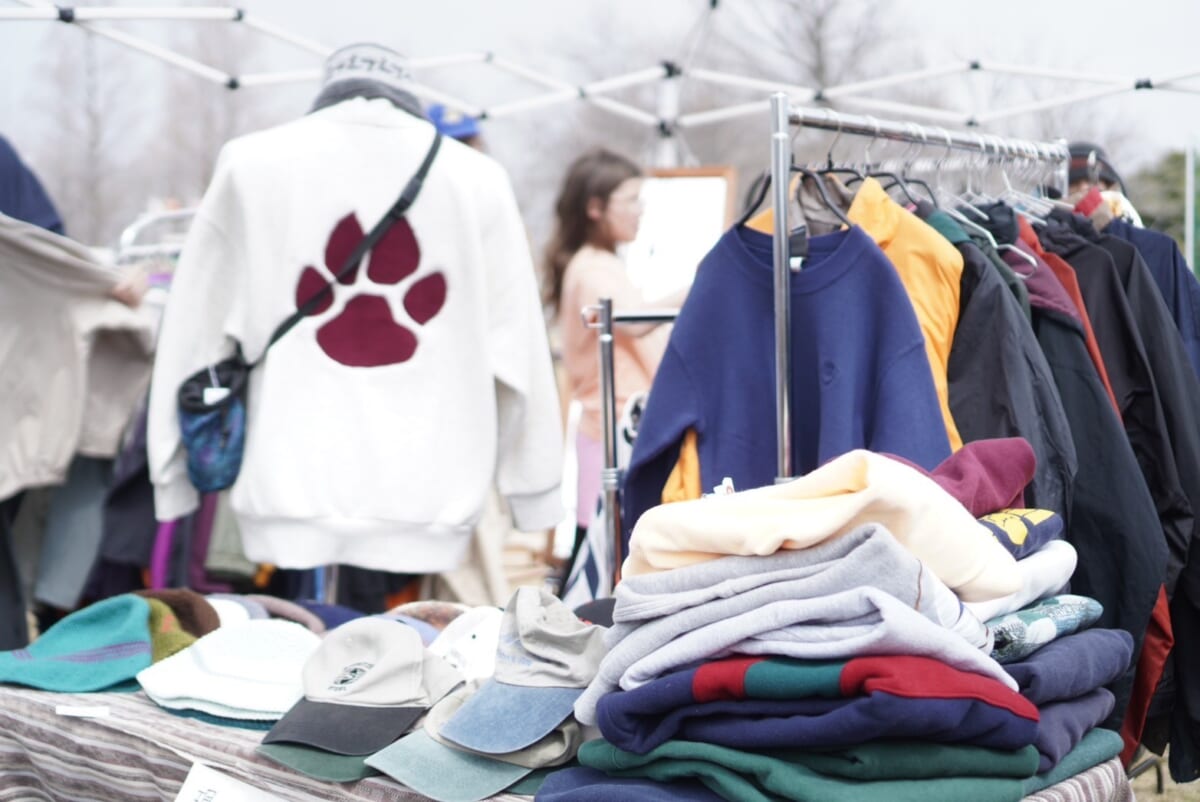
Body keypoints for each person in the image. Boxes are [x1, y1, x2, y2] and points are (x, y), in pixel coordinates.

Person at [545, 148, 689, 546]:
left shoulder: (600, 264)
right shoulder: (591, 268)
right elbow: (633, 321)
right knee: (604, 548)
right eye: (630, 200)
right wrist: (702, 282)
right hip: (613, 433)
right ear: (595, 208)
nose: (639, 211)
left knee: (606, 547)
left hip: (619, 429)